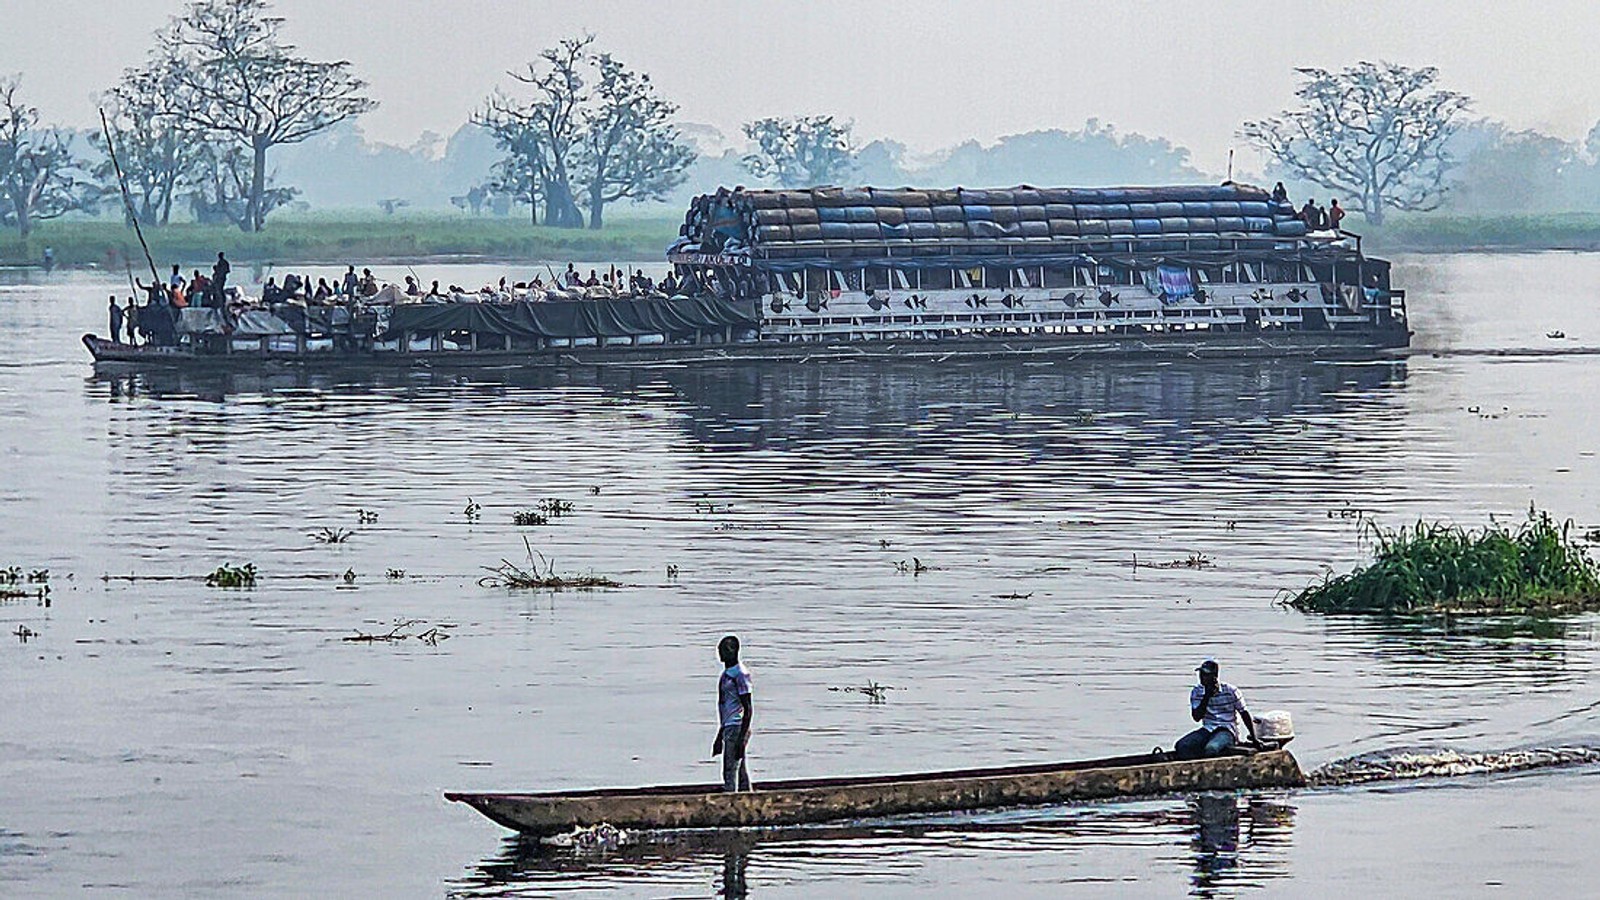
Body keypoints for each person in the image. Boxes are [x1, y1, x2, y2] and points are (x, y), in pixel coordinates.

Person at [1175, 659, 1257, 760]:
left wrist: (1254, 738)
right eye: (1201, 674)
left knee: (1211, 749)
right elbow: (1196, 717)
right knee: (1182, 745)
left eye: (1205, 674)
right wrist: (1206, 696)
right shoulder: (1197, 692)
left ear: (1214, 676)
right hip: (1208, 728)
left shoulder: (1231, 691)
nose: (1201, 677)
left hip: (1227, 730)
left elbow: (1244, 713)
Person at [712, 635, 753, 792]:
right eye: (720, 650)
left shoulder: (740, 674)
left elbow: (748, 708)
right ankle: (748, 798)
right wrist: (720, 735)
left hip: (737, 726)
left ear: (734, 651)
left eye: (724, 650)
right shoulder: (727, 674)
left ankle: (731, 801)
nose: (721, 653)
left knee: (730, 770)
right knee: (740, 770)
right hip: (729, 726)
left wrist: (742, 738)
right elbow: (725, 708)